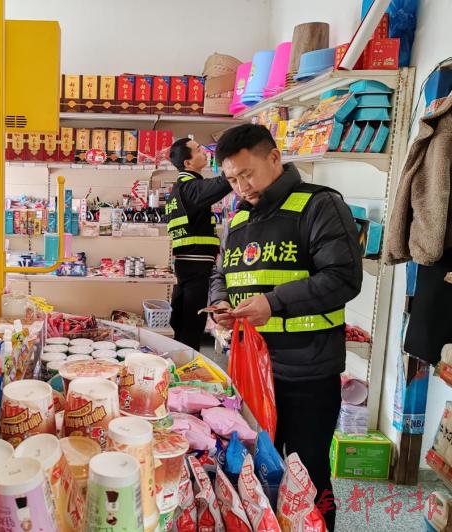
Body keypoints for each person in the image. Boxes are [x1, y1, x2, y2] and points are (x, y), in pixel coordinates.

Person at [209, 124, 362, 531]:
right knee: (258, 472)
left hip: (306, 372)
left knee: (307, 476)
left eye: (247, 174)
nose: (241, 187)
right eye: (232, 180)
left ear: (274, 157)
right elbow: (221, 272)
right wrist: (220, 301)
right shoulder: (240, 217)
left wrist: (274, 303)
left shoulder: (319, 205)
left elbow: (343, 278)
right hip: (251, 371)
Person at [165, 138, 231, 351]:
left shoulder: (178, 190)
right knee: (193, 322)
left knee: (181, 318)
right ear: (188, 163)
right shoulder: (191, 188)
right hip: (196, 264)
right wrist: (236, 163)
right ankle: (189, 364)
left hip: (185, 263)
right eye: (198, 150)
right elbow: (223, 183)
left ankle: (178, 359)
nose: (204, 152)